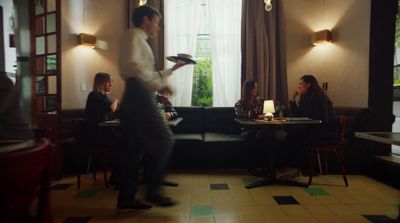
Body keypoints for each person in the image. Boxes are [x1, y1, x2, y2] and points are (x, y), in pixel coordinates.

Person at [117, 5, 186, 211]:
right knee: (165, 139)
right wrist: (160, 85)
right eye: (157, 21)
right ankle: (154, 190)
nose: (159, 27)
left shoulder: (139, 40)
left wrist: (172, 69)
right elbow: (137, 69)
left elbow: (148, 72)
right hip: (139, 95)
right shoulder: (133, 37)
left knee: (134, 150)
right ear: (146, 20)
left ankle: (126, 199)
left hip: (136, 94)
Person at [279, 74, 339, 172]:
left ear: (309, 84)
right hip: (315, 130)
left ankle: (300, 168)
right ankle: (293, 168)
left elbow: (322, 120)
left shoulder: (318, 98)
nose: (299, 86)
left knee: (293, 137)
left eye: (301, 84)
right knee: (290, 136)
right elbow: (299, 114)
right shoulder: (306, 98)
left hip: (325, 133)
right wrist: (292, 100)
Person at [81, 72, 120, 185]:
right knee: (120, 143)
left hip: (102, 131)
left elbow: (112, 110)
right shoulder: (93, 96)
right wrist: (116, 101)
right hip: (93, 134)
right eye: (109, 82)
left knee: (124, 140)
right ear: (102, 83)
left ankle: (118, 175)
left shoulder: (102, 96)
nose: (111, 85)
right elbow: (111, 108)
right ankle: (116, 177)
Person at [235, 80, 266, 175]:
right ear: (249, 89)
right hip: (246, 130)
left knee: (268, 135)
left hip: (260, 128)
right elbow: (241, 116)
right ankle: (253, 168)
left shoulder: (260, 101)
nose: (257, 89)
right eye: (255, 88)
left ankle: (267, 167)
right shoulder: (240, 103)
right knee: (252, 137)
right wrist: (257, 115)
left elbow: (266, 113)